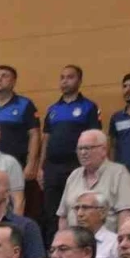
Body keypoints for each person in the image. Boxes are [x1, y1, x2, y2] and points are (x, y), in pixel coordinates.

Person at [39, 65, 102, 243]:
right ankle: (54, 248)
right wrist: (41, 167)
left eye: (70, 77)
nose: (65, 81)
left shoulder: (89, 107)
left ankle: (78, 244)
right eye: (62, 77)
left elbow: (95, 137)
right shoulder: (53, 109)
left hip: (77, 166)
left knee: (76, 208)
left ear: (79, 81)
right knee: (51, 211)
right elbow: (46, 138)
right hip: (52, 167)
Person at [56, 130, 130, 233]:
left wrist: (121, 241)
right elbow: (63, 216)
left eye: (88, 148)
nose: (83, 153)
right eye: (80, 149)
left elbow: (125, 215)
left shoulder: (119, 174)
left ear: (103, 150)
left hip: (106, 241)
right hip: (75, 240)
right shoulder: (74, 175)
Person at [0, 64, 41, 171]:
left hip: (17, 164)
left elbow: (34, 134)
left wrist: (31, 164)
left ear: (13, 82)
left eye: (4, 76)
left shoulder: (25, 104)